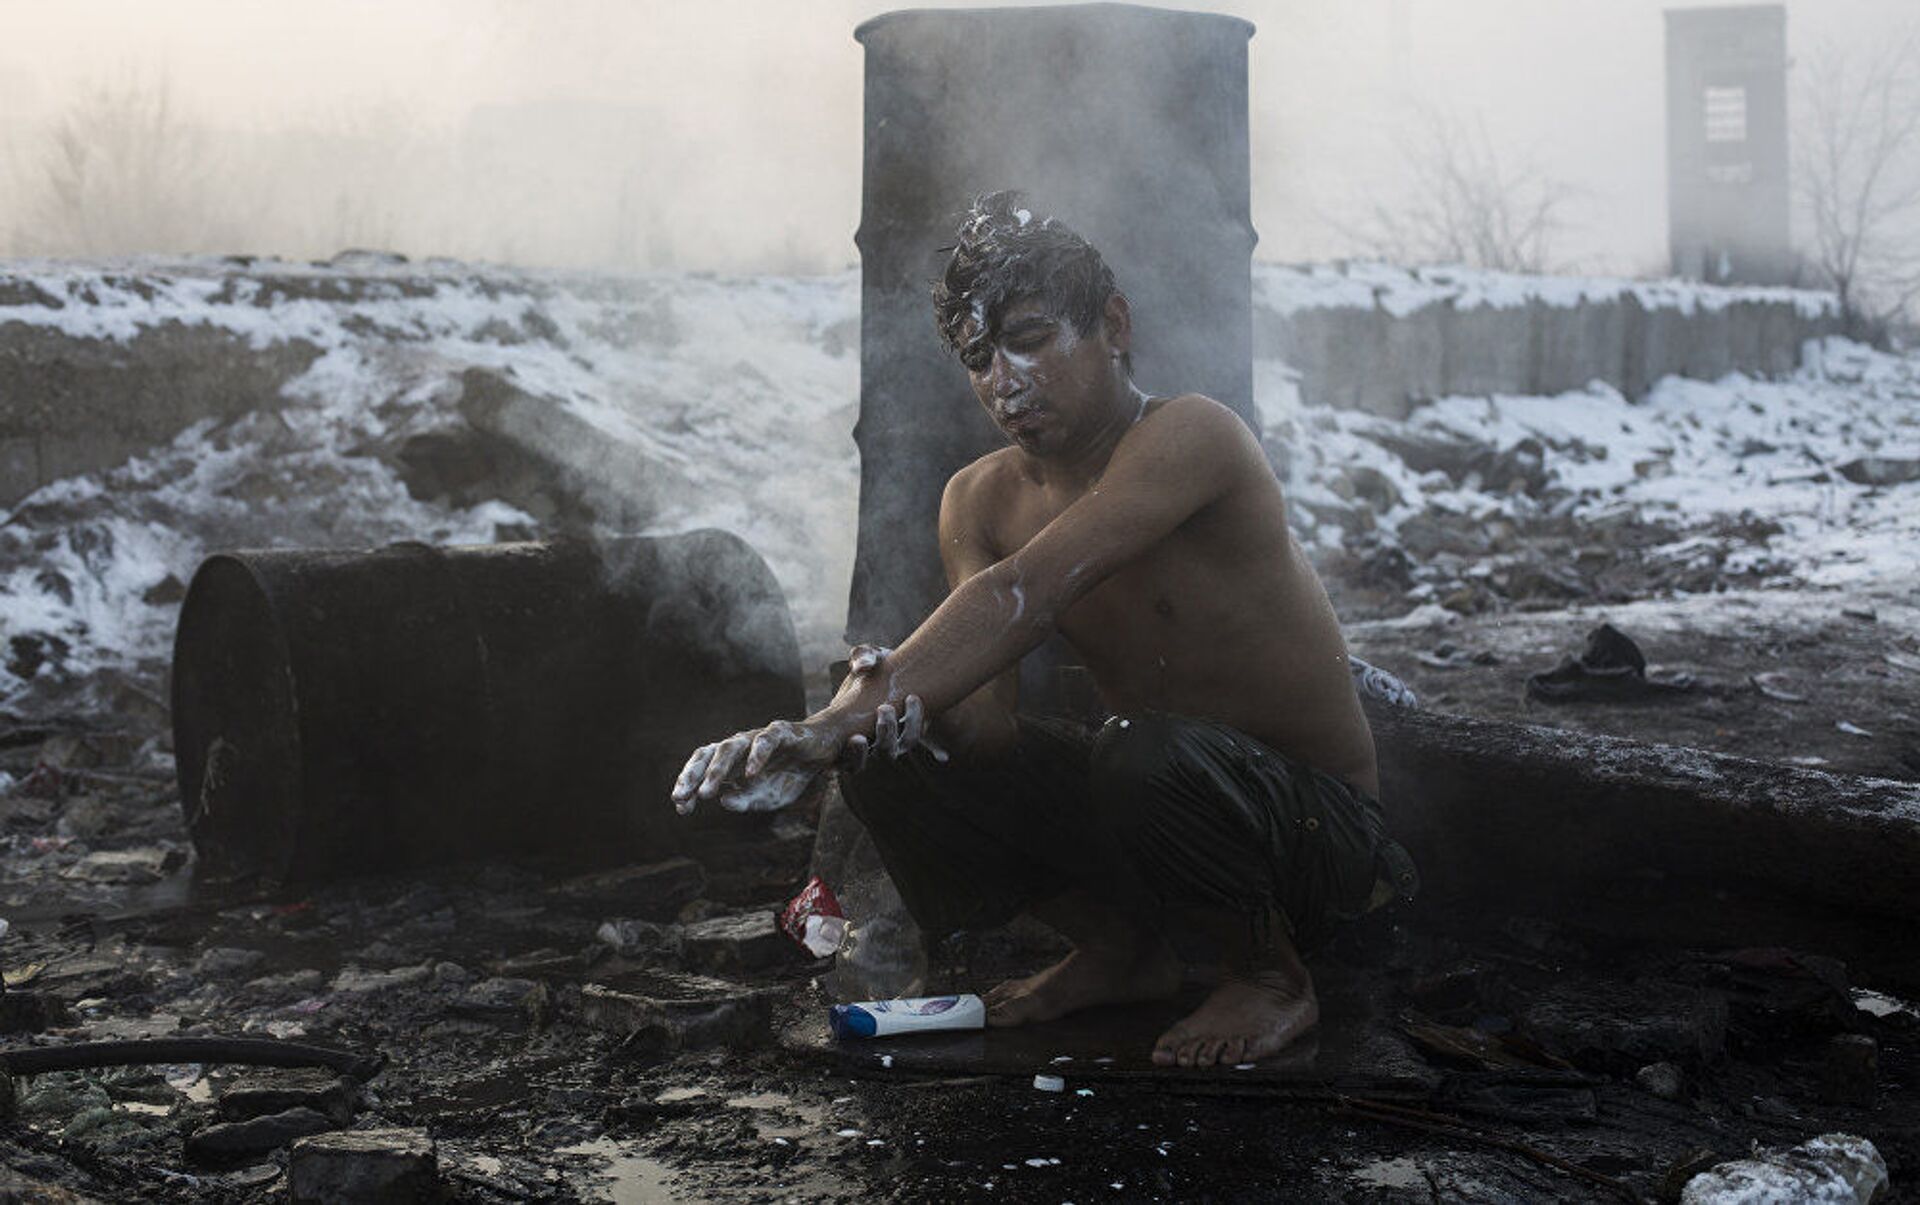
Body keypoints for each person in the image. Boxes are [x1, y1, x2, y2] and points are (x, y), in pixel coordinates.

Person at [672, 192, 1414, 1068]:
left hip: (1319, 844)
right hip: (1160, 824)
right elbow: (988, 727)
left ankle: (1271, 974)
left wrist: (827, 722)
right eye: (979, 356)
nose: (1004, 380)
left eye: (1028, 337)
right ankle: (1120, 948)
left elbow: (1025, 590)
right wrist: (894, 720)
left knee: (1136, 750)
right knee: (897, 754)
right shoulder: (977, 499)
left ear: (1113, 324)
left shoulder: (1194, 436)